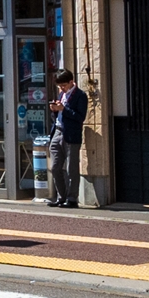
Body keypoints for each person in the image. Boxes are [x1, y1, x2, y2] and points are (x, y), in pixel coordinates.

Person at [46, 69, 88, 208]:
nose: (62, 88)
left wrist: (63, 109)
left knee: (72, 169)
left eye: (64, 85)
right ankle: (61, 196)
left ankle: (72, 199)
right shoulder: (62, 94)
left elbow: (80, 117)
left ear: (71, 82)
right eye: (59, 86)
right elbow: (59, 115)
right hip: (57, 131)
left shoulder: (80, 96)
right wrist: (55, 110)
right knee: (55, 167)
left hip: (71, 134)